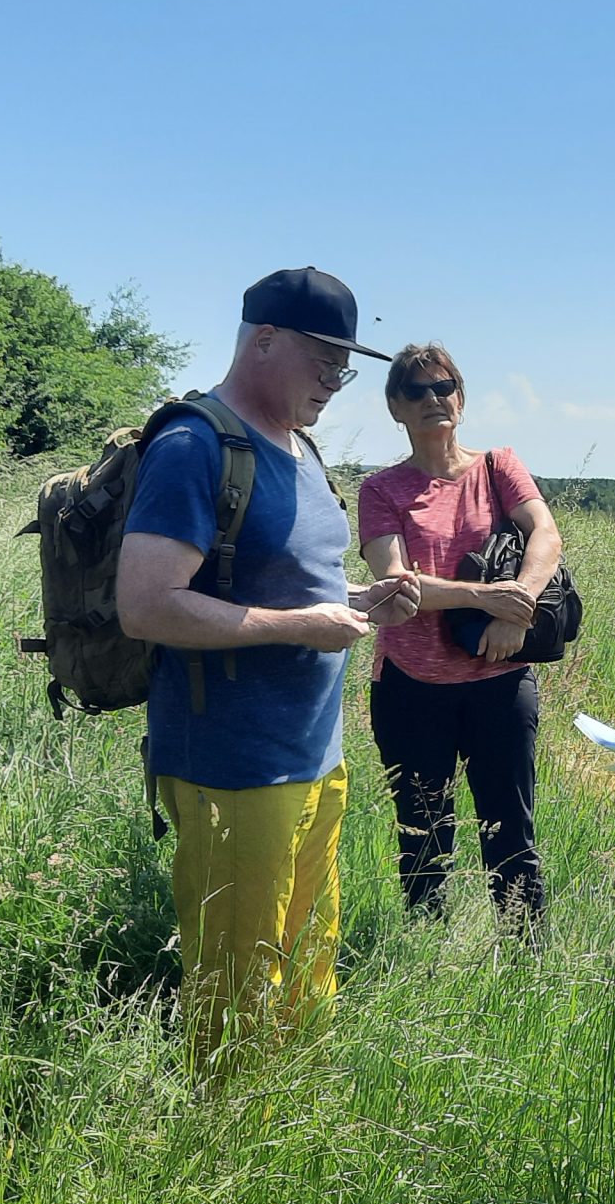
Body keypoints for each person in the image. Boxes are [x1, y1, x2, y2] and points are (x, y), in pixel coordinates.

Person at [114, 268, 418, 1074]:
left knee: (308, 961)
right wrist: (302, 627)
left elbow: (291, 587)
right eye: (323, 360)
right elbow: (145, 604)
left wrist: (361, 601)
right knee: (235, 975)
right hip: (234, 766)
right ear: (263, 340)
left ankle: (293, 1123)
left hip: (316, 759)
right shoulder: (193, 445)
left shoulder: (301, 448)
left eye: (344, 367)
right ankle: (225, 1144)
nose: (334, 382)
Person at [356, 344, 563, 926]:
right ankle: (426, 953)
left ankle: (525, 962)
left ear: (462, 399)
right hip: (411, 685)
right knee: (422, 830)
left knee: (511, 826)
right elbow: (395, 584)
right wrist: (483, 597)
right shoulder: (382, 491)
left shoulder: (499, 467)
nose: (432, 400)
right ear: (395, 407)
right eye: (415, 392)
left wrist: (513, 608)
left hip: (500, 681)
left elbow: (545, 534)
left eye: (443, 388)